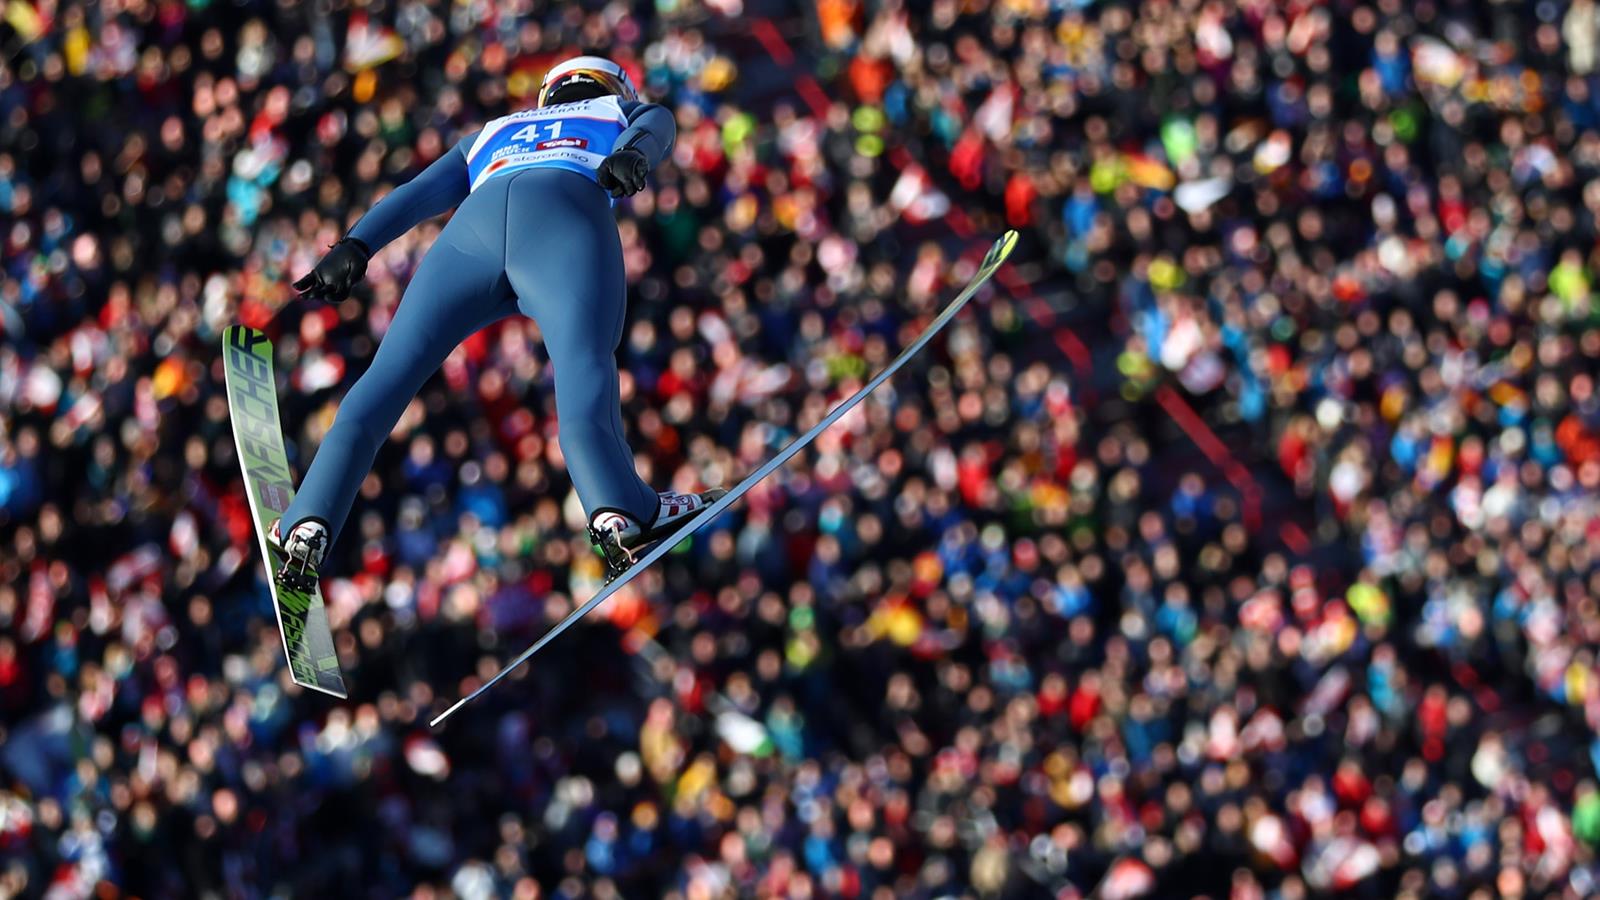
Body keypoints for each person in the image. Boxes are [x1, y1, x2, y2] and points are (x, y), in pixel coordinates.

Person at [278, 55, 724, 580]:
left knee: (387, 378)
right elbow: (658, 126)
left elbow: (414, 195)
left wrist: (356, 244)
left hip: (471, 235)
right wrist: (632, 156)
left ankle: (308, 519)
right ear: (611, 86)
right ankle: (619, 508)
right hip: (565, 215)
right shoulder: (620, 109)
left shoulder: (493, 130)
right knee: (583, 368)